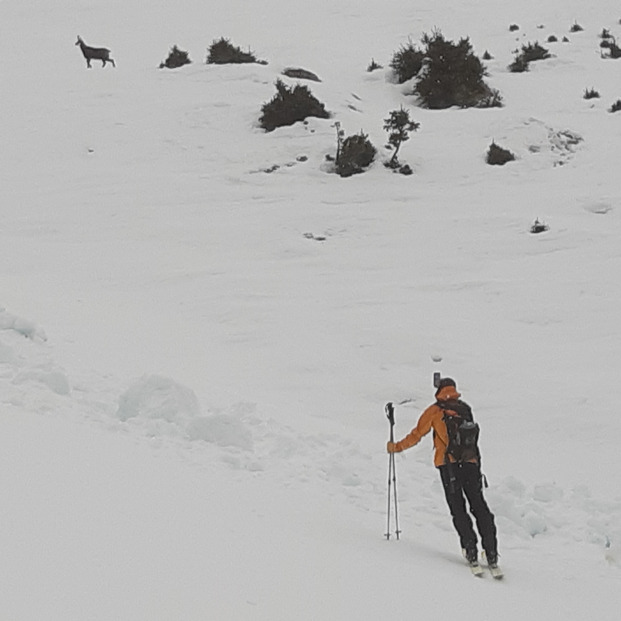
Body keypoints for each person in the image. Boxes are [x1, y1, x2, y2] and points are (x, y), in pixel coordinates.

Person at [387, 377, 499, 568]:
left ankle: (470, 550)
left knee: (458, 508)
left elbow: (417, 434)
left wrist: (396, 447)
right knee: (479, 506)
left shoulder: (434, 411)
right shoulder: (464, 408)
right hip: (471, 464)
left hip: (449, 466)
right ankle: (491, 552)